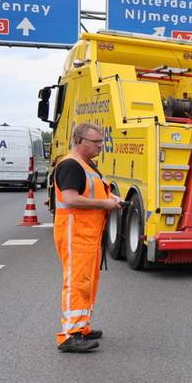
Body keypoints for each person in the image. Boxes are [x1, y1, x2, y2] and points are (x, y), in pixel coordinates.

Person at [52, 122, 123, 353]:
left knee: (87, 282)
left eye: (102, 141)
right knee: (77, 282)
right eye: (96, 142)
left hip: (88, 233)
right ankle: (69, 335)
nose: (100, 146)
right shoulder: (71, 165)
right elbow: (71, 199)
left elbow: (91, 191)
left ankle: (81, 327)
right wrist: (103, 203)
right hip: (75, 232)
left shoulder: (86, 164)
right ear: (79, 140)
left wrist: (111, 198)